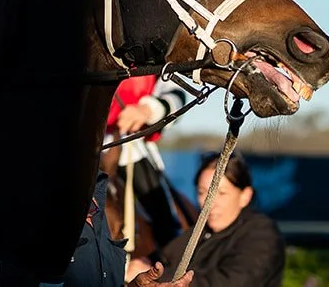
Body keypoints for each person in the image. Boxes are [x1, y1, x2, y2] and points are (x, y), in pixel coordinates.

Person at [129, 152, 284, 287]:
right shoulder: (199, 233)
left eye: (222, 193)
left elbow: (232, 282)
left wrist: (153, 275)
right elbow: (162, 258)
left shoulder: (262, 233)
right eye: (203, 193)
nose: (209, 204)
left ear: (245, 196)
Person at [110, 76, 194, 250]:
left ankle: (169, 257)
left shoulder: (156, 54)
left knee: (164, 222)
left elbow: (177, 95)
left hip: (129, 146)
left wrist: (147, 110)